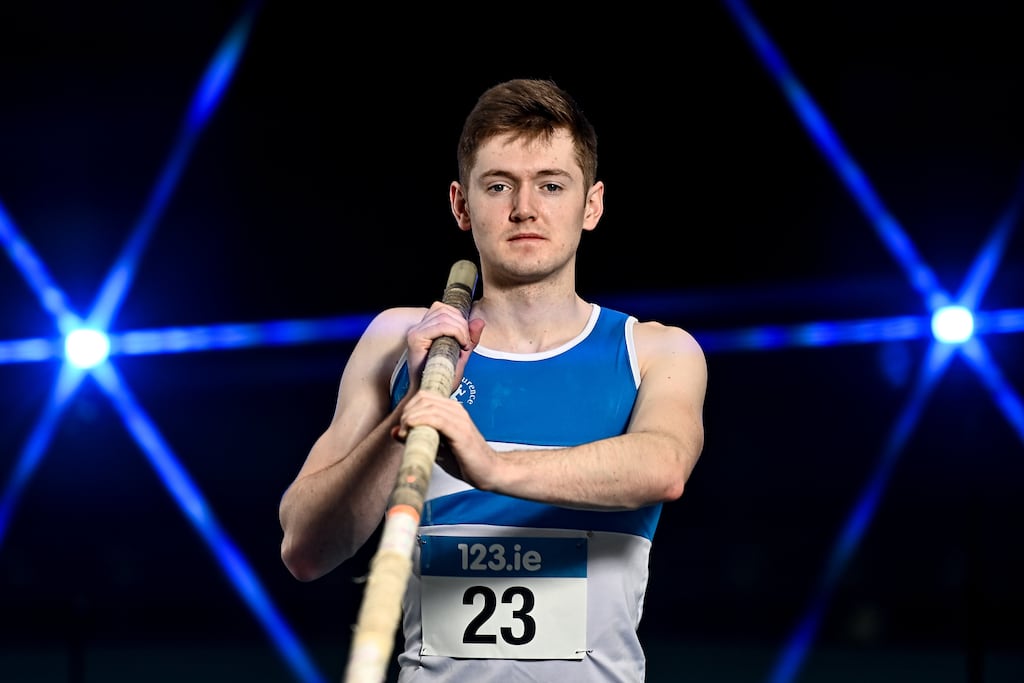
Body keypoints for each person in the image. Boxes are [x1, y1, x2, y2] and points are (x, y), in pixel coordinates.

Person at [278, 77, 708, 682]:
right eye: (499, 185)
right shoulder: (400, 343)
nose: (524, 208)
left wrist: (491, 466)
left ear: (592, 205)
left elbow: (663, 467)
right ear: (461, 204)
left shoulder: (654, 351)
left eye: (551, 186)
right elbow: (303, 546)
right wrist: (408, 417)